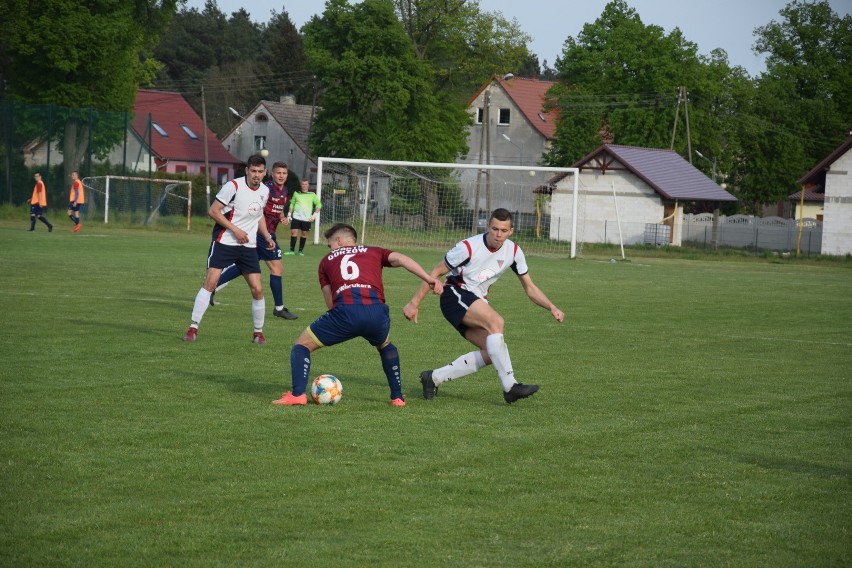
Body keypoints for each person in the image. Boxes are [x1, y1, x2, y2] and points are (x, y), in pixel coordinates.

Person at [403, 208, 565, 404]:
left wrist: (552, 307)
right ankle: (510, 387)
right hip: (454, 295)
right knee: (497, 322)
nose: (498, 234)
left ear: (511, 231)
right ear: (488, 226)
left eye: (503, 231)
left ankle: (433, 378)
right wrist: (414, 302)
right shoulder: (468, 247)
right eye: (495, 229)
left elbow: (530, 288)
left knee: (491, 353)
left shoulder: (514, 251)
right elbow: (435, 272)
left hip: (476, 301)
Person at [273, 223, 443, 407]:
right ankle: (397, 398)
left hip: (345, 312)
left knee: (301, 345)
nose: (330, 249)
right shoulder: (375, 251)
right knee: (385, 345)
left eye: (330, 244)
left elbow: (330, 303)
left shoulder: (325, 261)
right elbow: (401, 259)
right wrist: (429, 278)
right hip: (377, 313)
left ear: (338, 240)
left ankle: (298, 395)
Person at [183, 154, 277, 344]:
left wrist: (267, 236)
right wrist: (236, 230)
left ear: (265, 172)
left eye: (260, 172)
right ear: (247, 170)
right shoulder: (233, 187)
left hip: (248, 246)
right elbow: (213, 211)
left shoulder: (265, 191)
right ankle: (193, 328)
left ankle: (258, 333)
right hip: (224, 242)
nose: (256, 175)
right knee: (210, 284)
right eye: (253, 171)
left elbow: (259, 215)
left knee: (257, 289)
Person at [211, 162, 298, 320]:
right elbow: (258, 211)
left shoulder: (284, 191)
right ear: (271, 173)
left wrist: (282, 217)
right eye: (278, 173)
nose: (281, 176)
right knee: (277, 268)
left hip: (267, 233)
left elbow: (275, 210)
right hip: (260, 233)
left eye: (284, 173)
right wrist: (266, 236)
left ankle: (213, 286)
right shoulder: (266, 189)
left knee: (244, 266)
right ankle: (279, 308)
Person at [285, 180, 321, 255]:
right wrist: (289, 214)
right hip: (296, 217)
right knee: (293, 232)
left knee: (304, 234)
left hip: (306, 218)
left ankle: (300, 251)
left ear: (308, 185)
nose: (304, 186)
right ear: (301, 185)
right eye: (303, 184)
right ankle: (291, 251)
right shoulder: (296, 193)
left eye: (306, 184)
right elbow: (292, 204)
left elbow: (319, 205)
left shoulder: (312, 194)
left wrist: (314, 215)